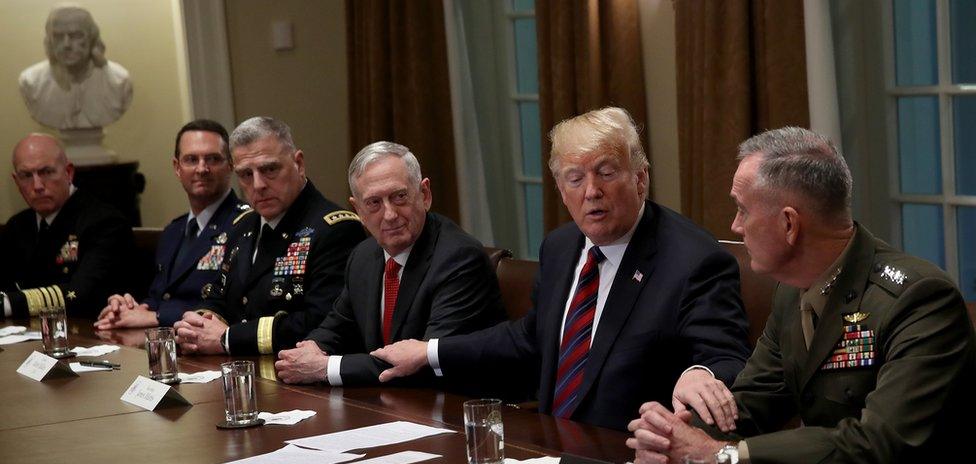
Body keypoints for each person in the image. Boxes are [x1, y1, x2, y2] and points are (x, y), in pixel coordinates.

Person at [627, 127, 976, 464]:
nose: (735, 226)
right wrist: (677, 434)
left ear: (789, 224)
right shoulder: (792, 289)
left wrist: (720, 456)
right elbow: (750, 404)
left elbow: (879, 443)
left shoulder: (919, 299)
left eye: (743, 209)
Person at [372, 107, 751, 431]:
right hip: (550, 445)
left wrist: (702, 373)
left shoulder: (693, 259)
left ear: (640, 178)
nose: (591, 191)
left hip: (633, 455)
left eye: (605, 172)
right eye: (575, 178)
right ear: (560, 187)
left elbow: (727, 358)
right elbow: (531, 337)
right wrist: (430, 352)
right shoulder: (561, 246)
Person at [274, 141, 507, 390]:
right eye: (374, 203)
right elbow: (337, 326)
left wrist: (324, 368)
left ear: (425, 194)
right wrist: (312, 348)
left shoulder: (459, 259)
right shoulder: (363, 256)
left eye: (399, 197)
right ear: (358, 210)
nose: (390, 215)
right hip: (392, 406)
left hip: (455, 407)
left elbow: (420, 363)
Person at [174, 117, 365, 356]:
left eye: (270, 169)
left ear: (299, 163)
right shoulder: (241, 226)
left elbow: (321, 321)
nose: (258, 184)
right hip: (240, 371)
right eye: (245, 174)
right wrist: (197, 325)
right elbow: (218, 295)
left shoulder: (335, 229)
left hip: (301, 379)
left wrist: (228, 338)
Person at [94, 119, 247, 330]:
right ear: (177, 167)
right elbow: (160, 295)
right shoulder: (173, 231)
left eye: (212, 159)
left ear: (230, 165)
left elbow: (233, 303)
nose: (202, 168)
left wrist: (156, 316)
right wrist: (133, 308)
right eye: (191, 159)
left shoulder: (246, 225)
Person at [0, 134, 133, 318]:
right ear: (16, 181)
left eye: (46, 172)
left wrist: (6, 304)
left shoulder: (104, 222)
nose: (37, 185)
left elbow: (80, 294)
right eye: (26, 176)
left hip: (89, 334)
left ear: (68, 172)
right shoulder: (18, 226)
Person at [19, 5, 132, 130]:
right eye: (58, 36)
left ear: (92, 38)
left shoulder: (119, 81)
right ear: (49, 40)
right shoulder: (31, 81)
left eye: (76, 36)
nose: (66, 44)